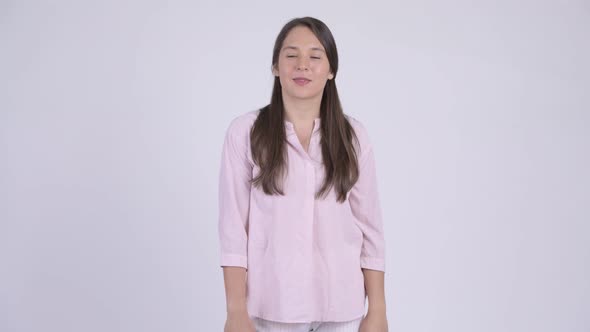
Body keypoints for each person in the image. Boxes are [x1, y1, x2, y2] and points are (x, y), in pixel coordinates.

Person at [218, 17, 388, 332]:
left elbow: (370, 229)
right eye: (291, 55)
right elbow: (233, 229)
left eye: (315, 56)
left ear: (332, 70)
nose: (303, 65)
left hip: (341, 308)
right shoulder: (246, 133)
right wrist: (235, 311)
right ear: (275, 66)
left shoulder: (354, 136)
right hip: (270, 308)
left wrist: (377, 310)